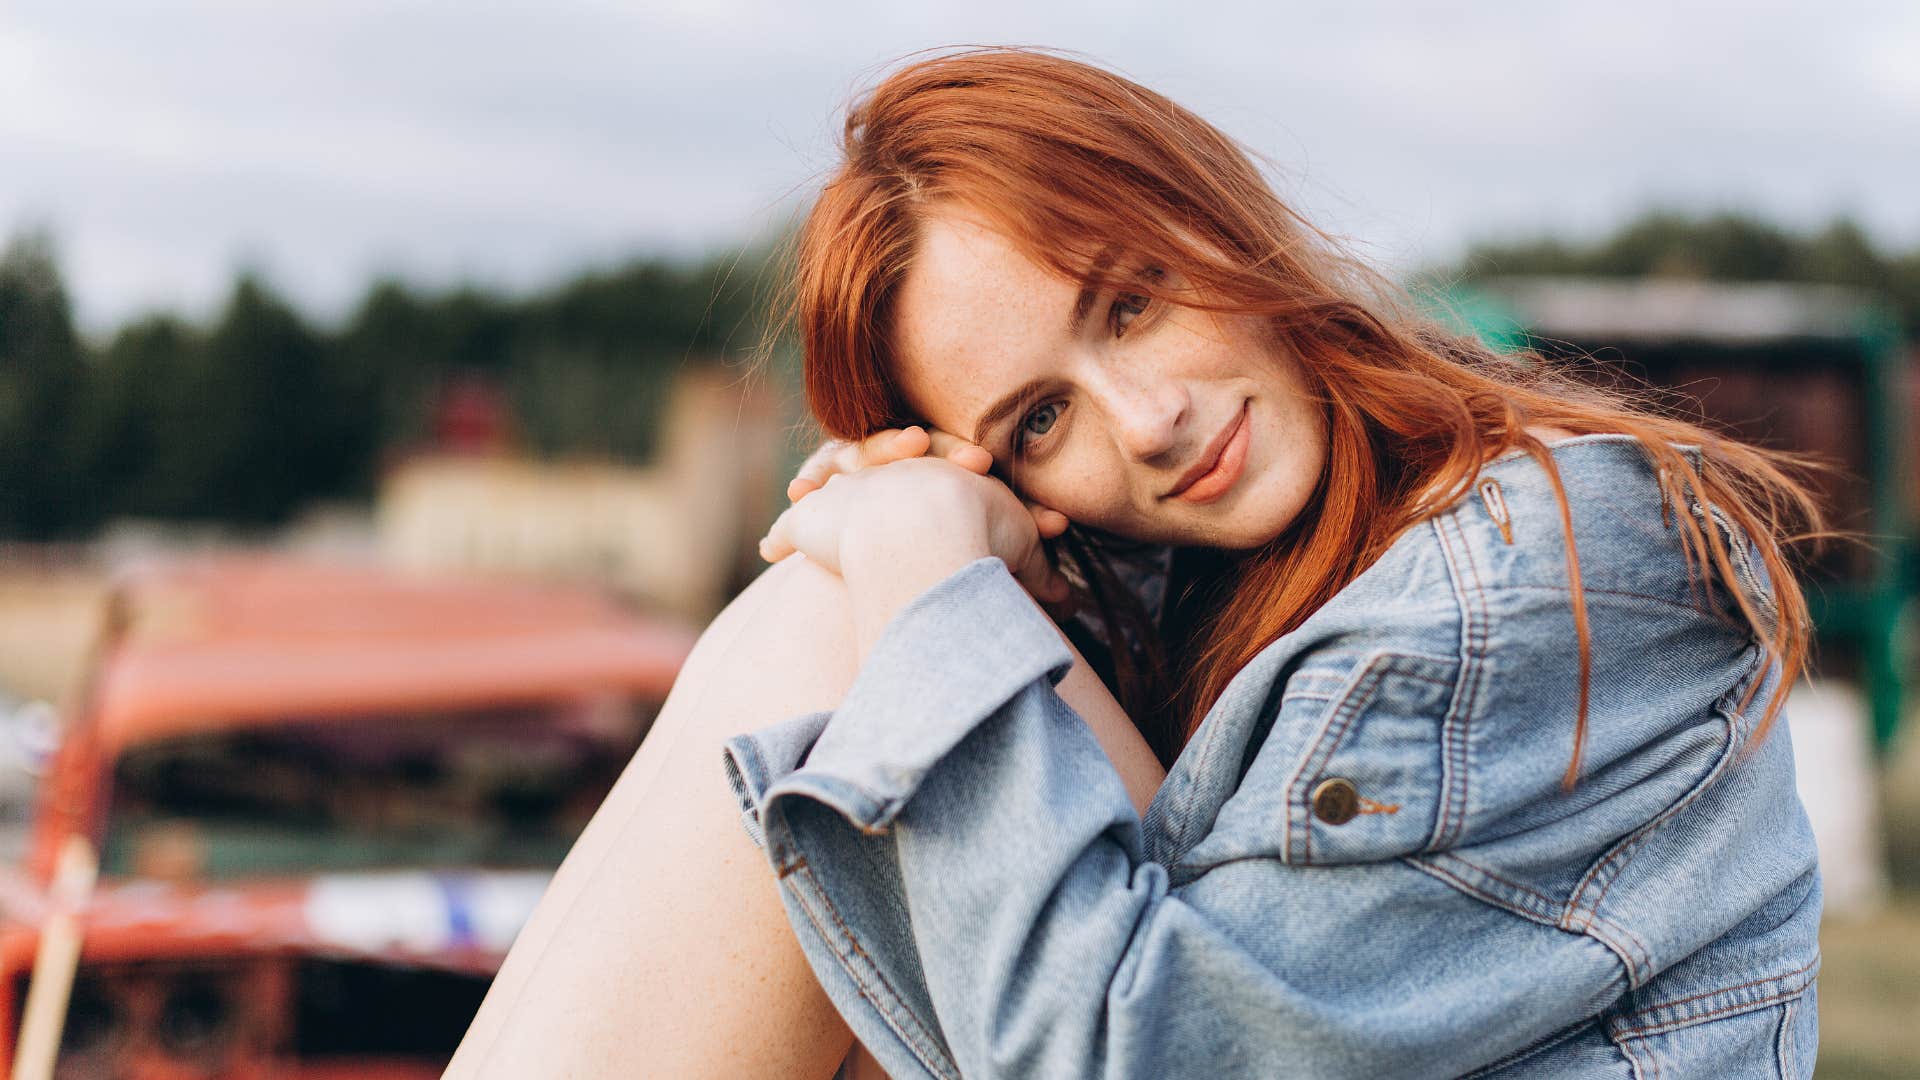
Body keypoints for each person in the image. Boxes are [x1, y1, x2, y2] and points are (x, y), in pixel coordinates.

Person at [448, 48, 1824, 1078]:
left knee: (835, 644)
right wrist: (936, 563)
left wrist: (927, 576)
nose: (1151, 423)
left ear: (1213, 217)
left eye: (1133, 303)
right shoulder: (1226, 593)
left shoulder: (1526, 570)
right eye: (1040, 421)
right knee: (829, 638)